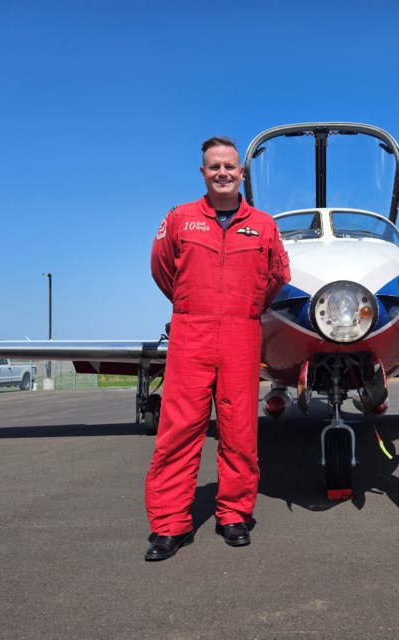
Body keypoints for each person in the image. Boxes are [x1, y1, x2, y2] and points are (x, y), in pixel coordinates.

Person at [144, 136, 291, 561]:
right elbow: (161, 267)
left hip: (241, 335)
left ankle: (234, 514)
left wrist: (245, 308)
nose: (222, 173)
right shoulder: (179, 218)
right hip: (192, 332)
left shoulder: (263, 225)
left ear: (241, 173)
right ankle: (171, 525)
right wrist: (192, 304)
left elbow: (278, 275)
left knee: (239, 430)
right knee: (178, 431)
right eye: (214, 167)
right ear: (203, 172)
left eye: (229, 166)